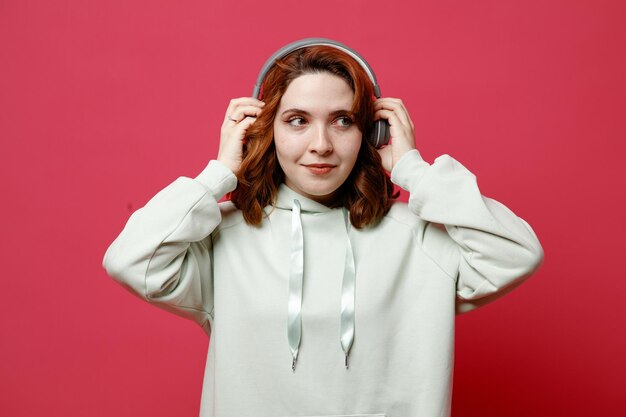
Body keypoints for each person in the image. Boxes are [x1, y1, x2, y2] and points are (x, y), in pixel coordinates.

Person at [103, 39, 543, 417]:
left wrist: (416, 172)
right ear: (264, 129)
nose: (321, 145)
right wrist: (218, 174)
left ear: (372, 132)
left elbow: (517, 252)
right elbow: (130, 259)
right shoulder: (222, 238)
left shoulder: (418, 237)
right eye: (297, 120)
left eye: (342, 120)